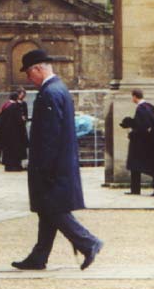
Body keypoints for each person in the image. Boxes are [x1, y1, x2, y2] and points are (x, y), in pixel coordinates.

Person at [12, 49, 102, 271]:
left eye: (28, 73)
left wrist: (45, 167)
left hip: (52, 164)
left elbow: (49, 135)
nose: (27, 78)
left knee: (53, 209)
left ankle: (88, 242)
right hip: (59, 162)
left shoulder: (50, 93)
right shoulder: (58, 89)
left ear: (38, 69)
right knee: (47, 209)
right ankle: (39, 256)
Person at [120, 89, 154, 195]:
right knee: (142, 165)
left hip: (139, 141)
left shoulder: (141, 109)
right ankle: (137, 189)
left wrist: (132, 132)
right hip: (147, 140)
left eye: (132, 97)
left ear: (135, 97)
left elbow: (142, 126)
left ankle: (136, 189)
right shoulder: (150, 106)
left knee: (136, 165)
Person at [0, 92, 28, 171]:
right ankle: (14, 166)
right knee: (15, 149)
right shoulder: (15, 107)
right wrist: (23, 119)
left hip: (5, 133)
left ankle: (8, 166)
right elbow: (19, 120)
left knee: (7, 150)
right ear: (16, 98)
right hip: (15, 133)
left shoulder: (6, 105)